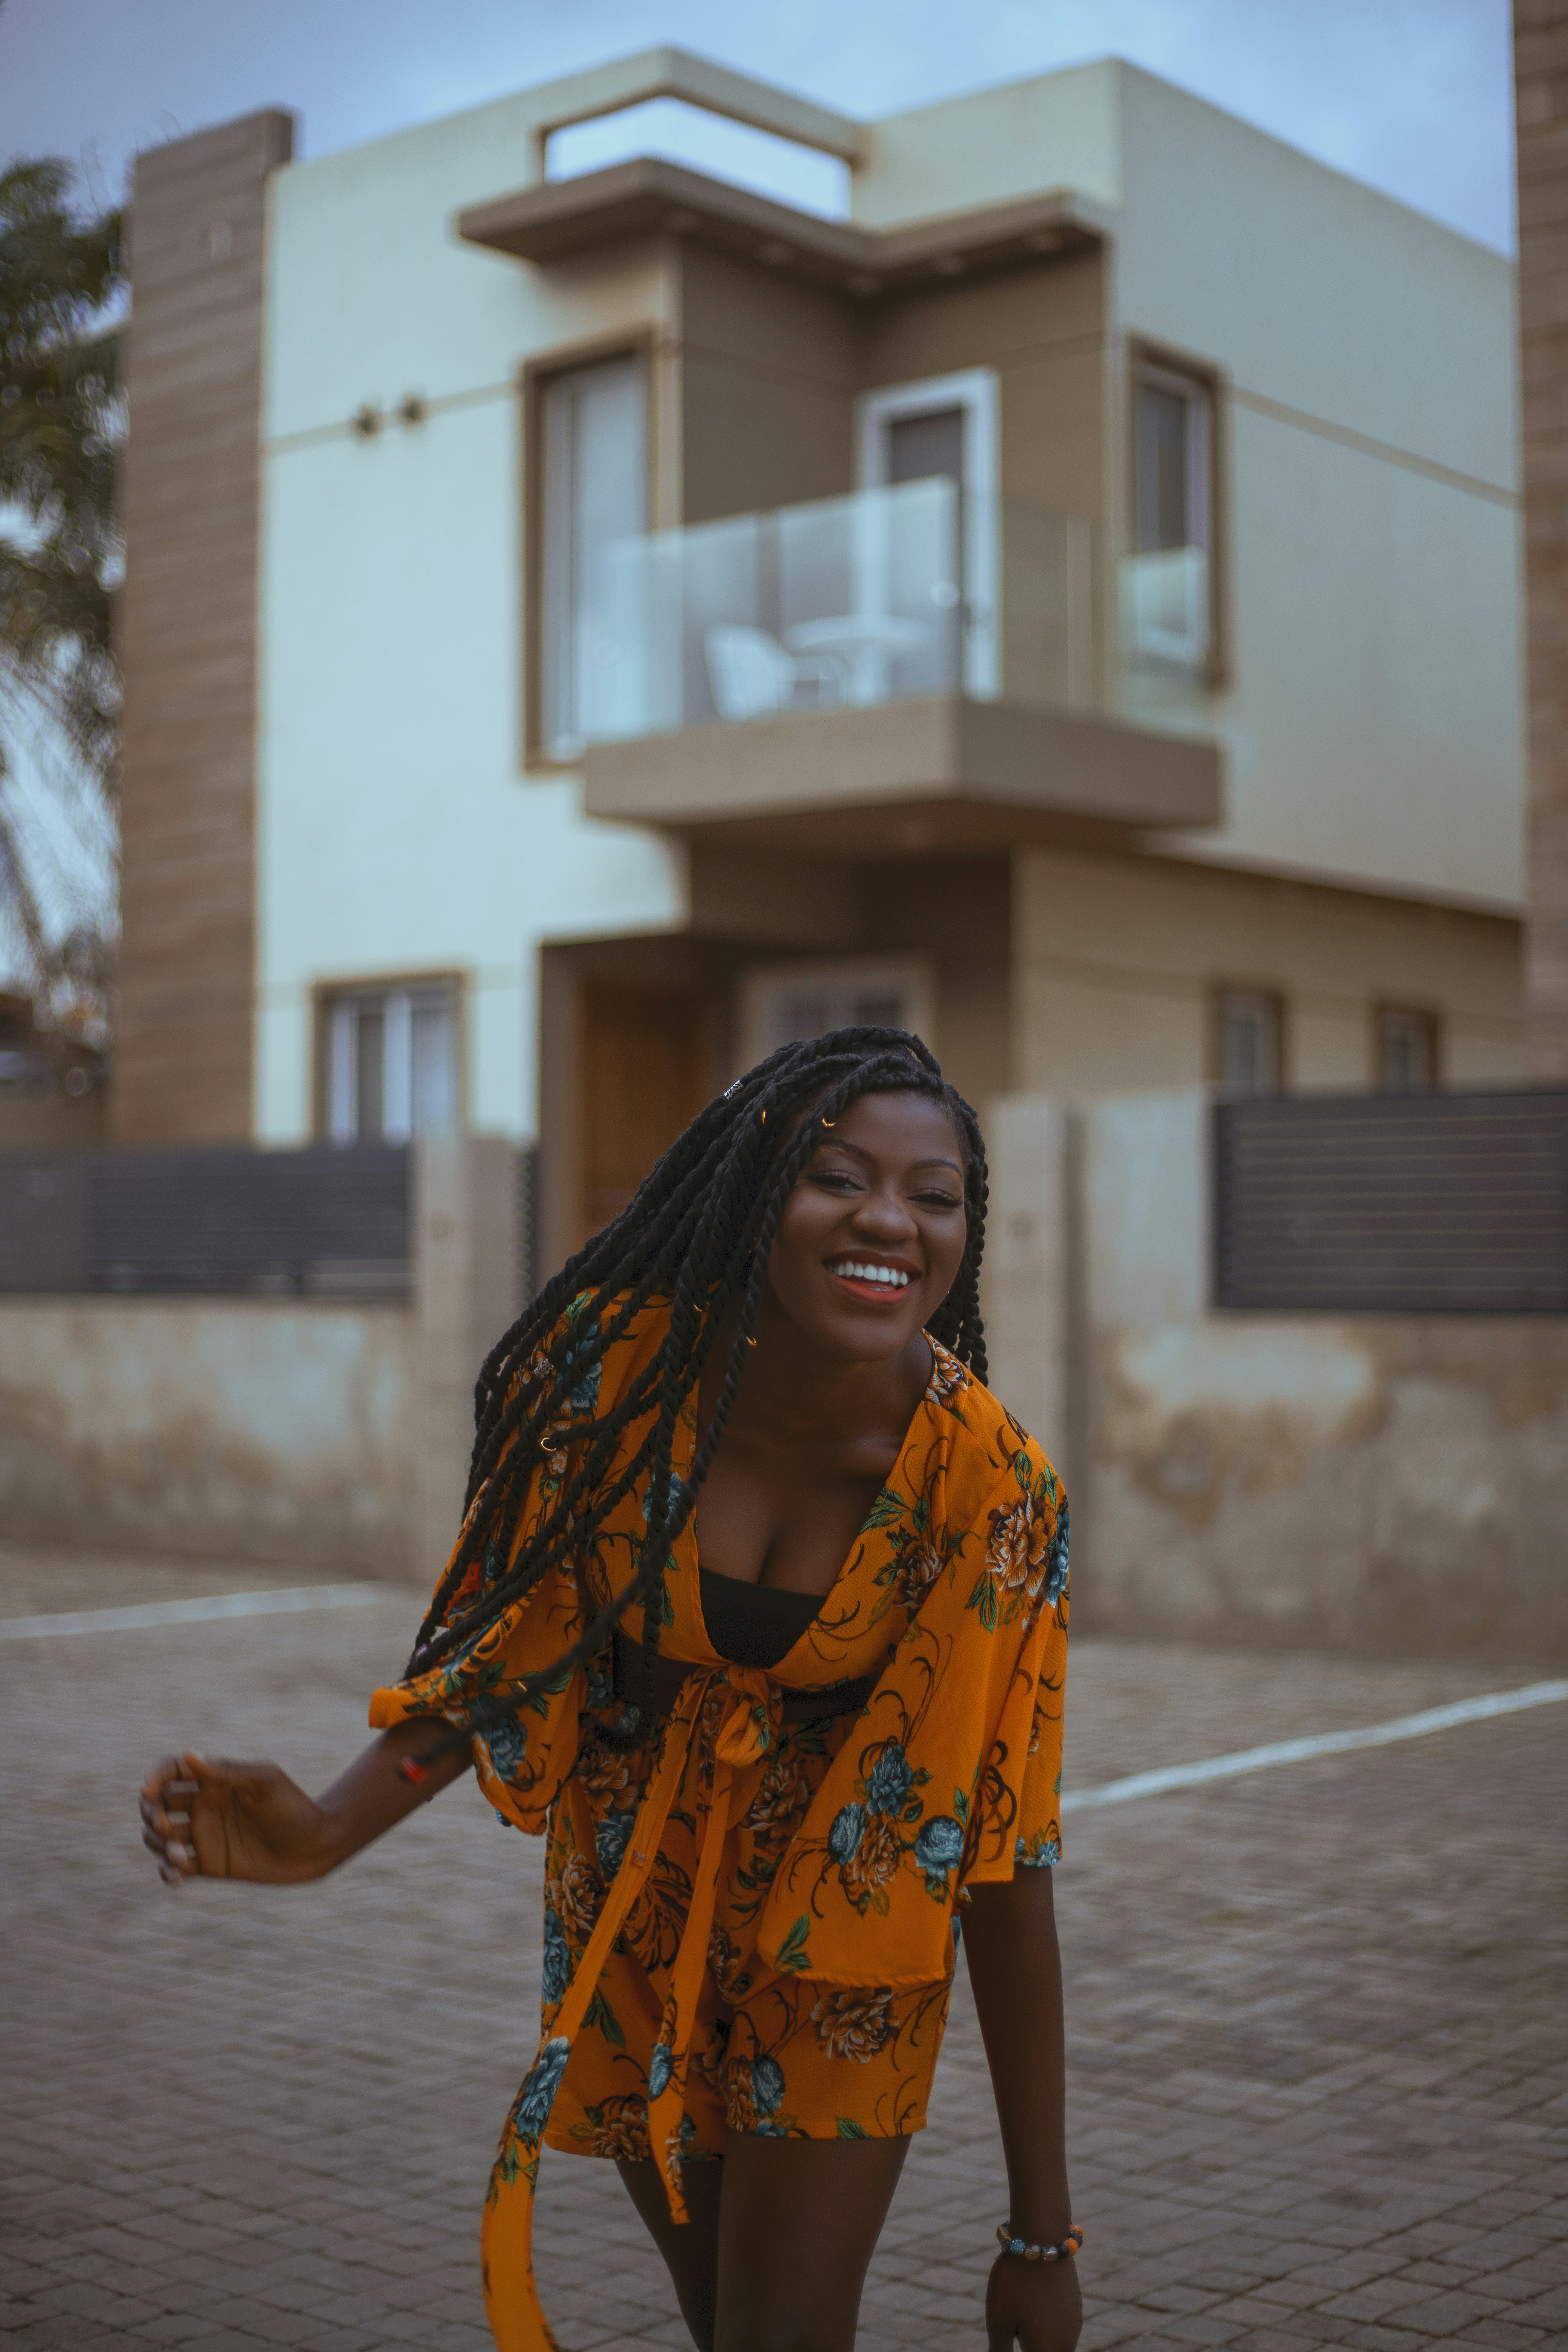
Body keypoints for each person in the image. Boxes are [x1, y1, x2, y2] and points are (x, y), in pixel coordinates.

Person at [141, 1029, 1081, 2352]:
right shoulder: (611, 1380)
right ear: (758, 1191)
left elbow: (1001, 1841)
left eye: (936, 1196)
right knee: (723, 2326)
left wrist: (1041, 2233)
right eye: (839, 1177)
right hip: (635, 1920)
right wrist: (327, 1831)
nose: (890, 1221)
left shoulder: (991, 1491)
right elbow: (507, 1654)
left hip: (848, 1960)